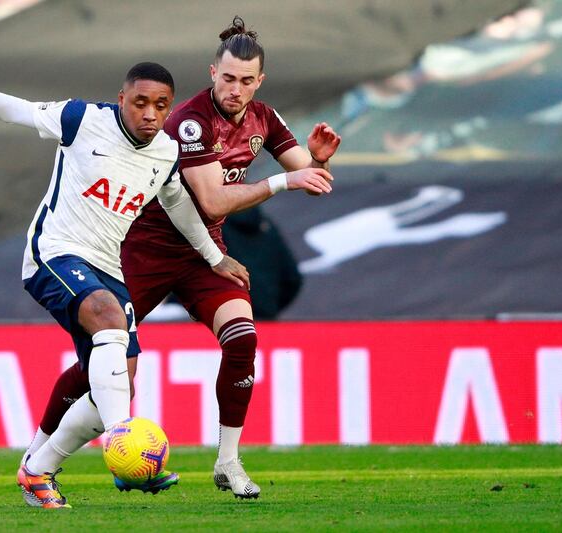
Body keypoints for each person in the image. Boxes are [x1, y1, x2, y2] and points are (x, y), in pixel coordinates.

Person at [0, 62, 248, 509]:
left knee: (117, 384)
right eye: (140, 102)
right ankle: (127, 452)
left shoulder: (165, 151)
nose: (150, 114)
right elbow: (12, 109)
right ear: (122, 99)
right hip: (55, 253)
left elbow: (179, 205)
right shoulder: (82, 120)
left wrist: (216, 258)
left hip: (109, 269)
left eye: (161, 105)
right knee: (107, 325)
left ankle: (38, 470)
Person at [26, 16, 340, 499]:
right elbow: (212, 202)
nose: (236, 90)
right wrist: (284, 180)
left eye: (246, 81)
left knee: (242, 339)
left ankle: (228, 462)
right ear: (213, 72)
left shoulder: (265, 118)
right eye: (228, 78)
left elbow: (309, 175)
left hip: (205, 256)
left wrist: (317, 161)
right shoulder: (189, 121)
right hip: (145, 248)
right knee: (103, 361)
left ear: (260, 82)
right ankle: (41, 452)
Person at [221, 206, 302, 319]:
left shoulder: (214, 228)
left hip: (226, 313)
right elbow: (292, 277)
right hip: (265, 313)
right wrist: (269, 304)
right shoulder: (265, 225)